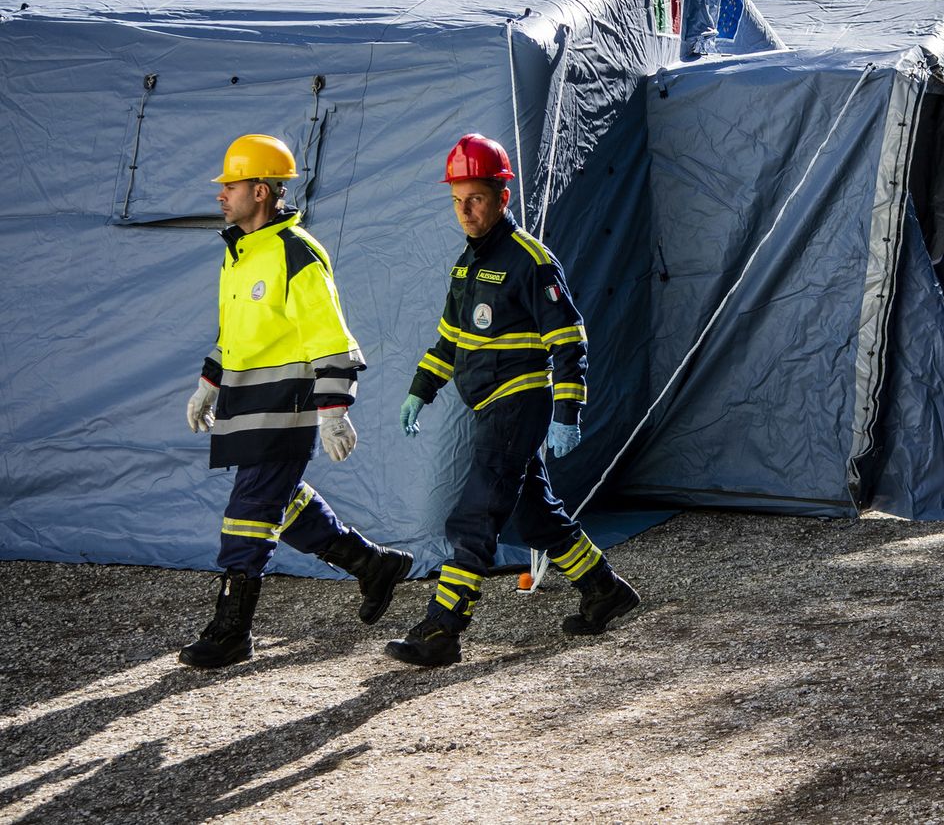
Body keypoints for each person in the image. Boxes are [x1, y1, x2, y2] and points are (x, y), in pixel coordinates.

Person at [385, 133, 639, 667]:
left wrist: (567, 414)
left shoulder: (530, 260)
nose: (465, 212)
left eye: (475, 199)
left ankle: (443, 629)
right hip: (487, 406)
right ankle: (606, 591)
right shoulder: (466, 265)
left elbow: (569, 339)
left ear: (503, 196)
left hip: (518, 401)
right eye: (457, 200)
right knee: (537, 516)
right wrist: (419, 390)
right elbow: (450, 340)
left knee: (476, 511)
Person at [180, 134, 412, 669]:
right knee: (280, 502)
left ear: (261, 191)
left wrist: (334, 410)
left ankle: (231, 632)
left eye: (230, 185)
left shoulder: (296, 252)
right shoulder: (238, 255)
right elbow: (235, 334)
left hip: (286, 408)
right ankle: (372, 565)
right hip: (247, 406)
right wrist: (209, 383)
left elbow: (328, 336)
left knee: (248, 514)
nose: (221, 194)